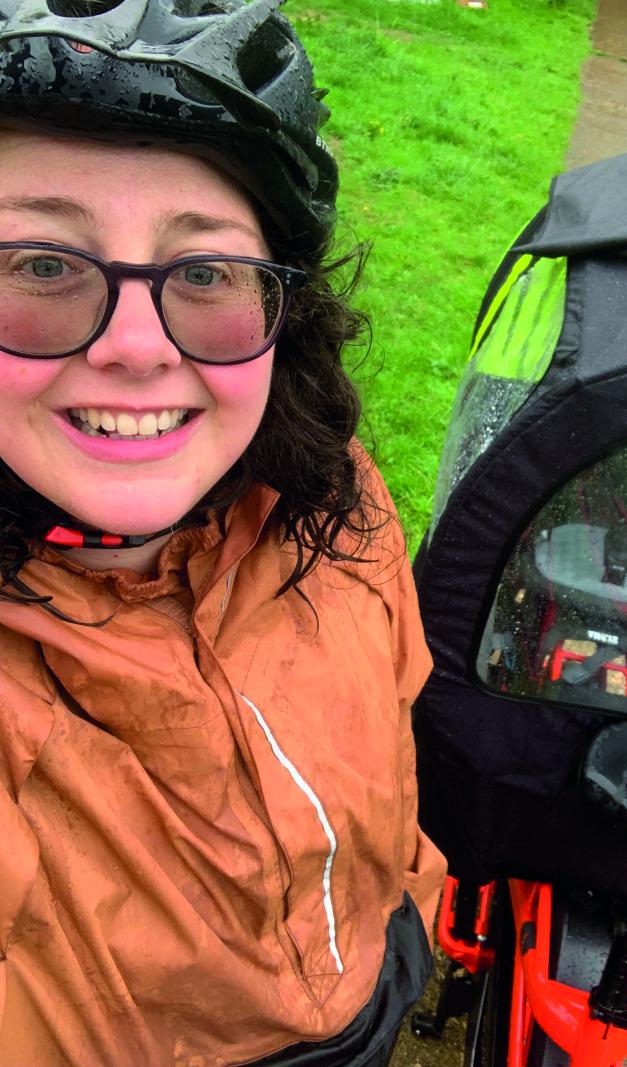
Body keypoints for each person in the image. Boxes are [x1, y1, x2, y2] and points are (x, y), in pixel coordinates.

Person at [0, 0, 446, 1064]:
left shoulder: (329, 494)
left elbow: (395, 711)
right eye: (40, 266)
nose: (139, 351)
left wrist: (413, 902)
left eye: (202, 273)